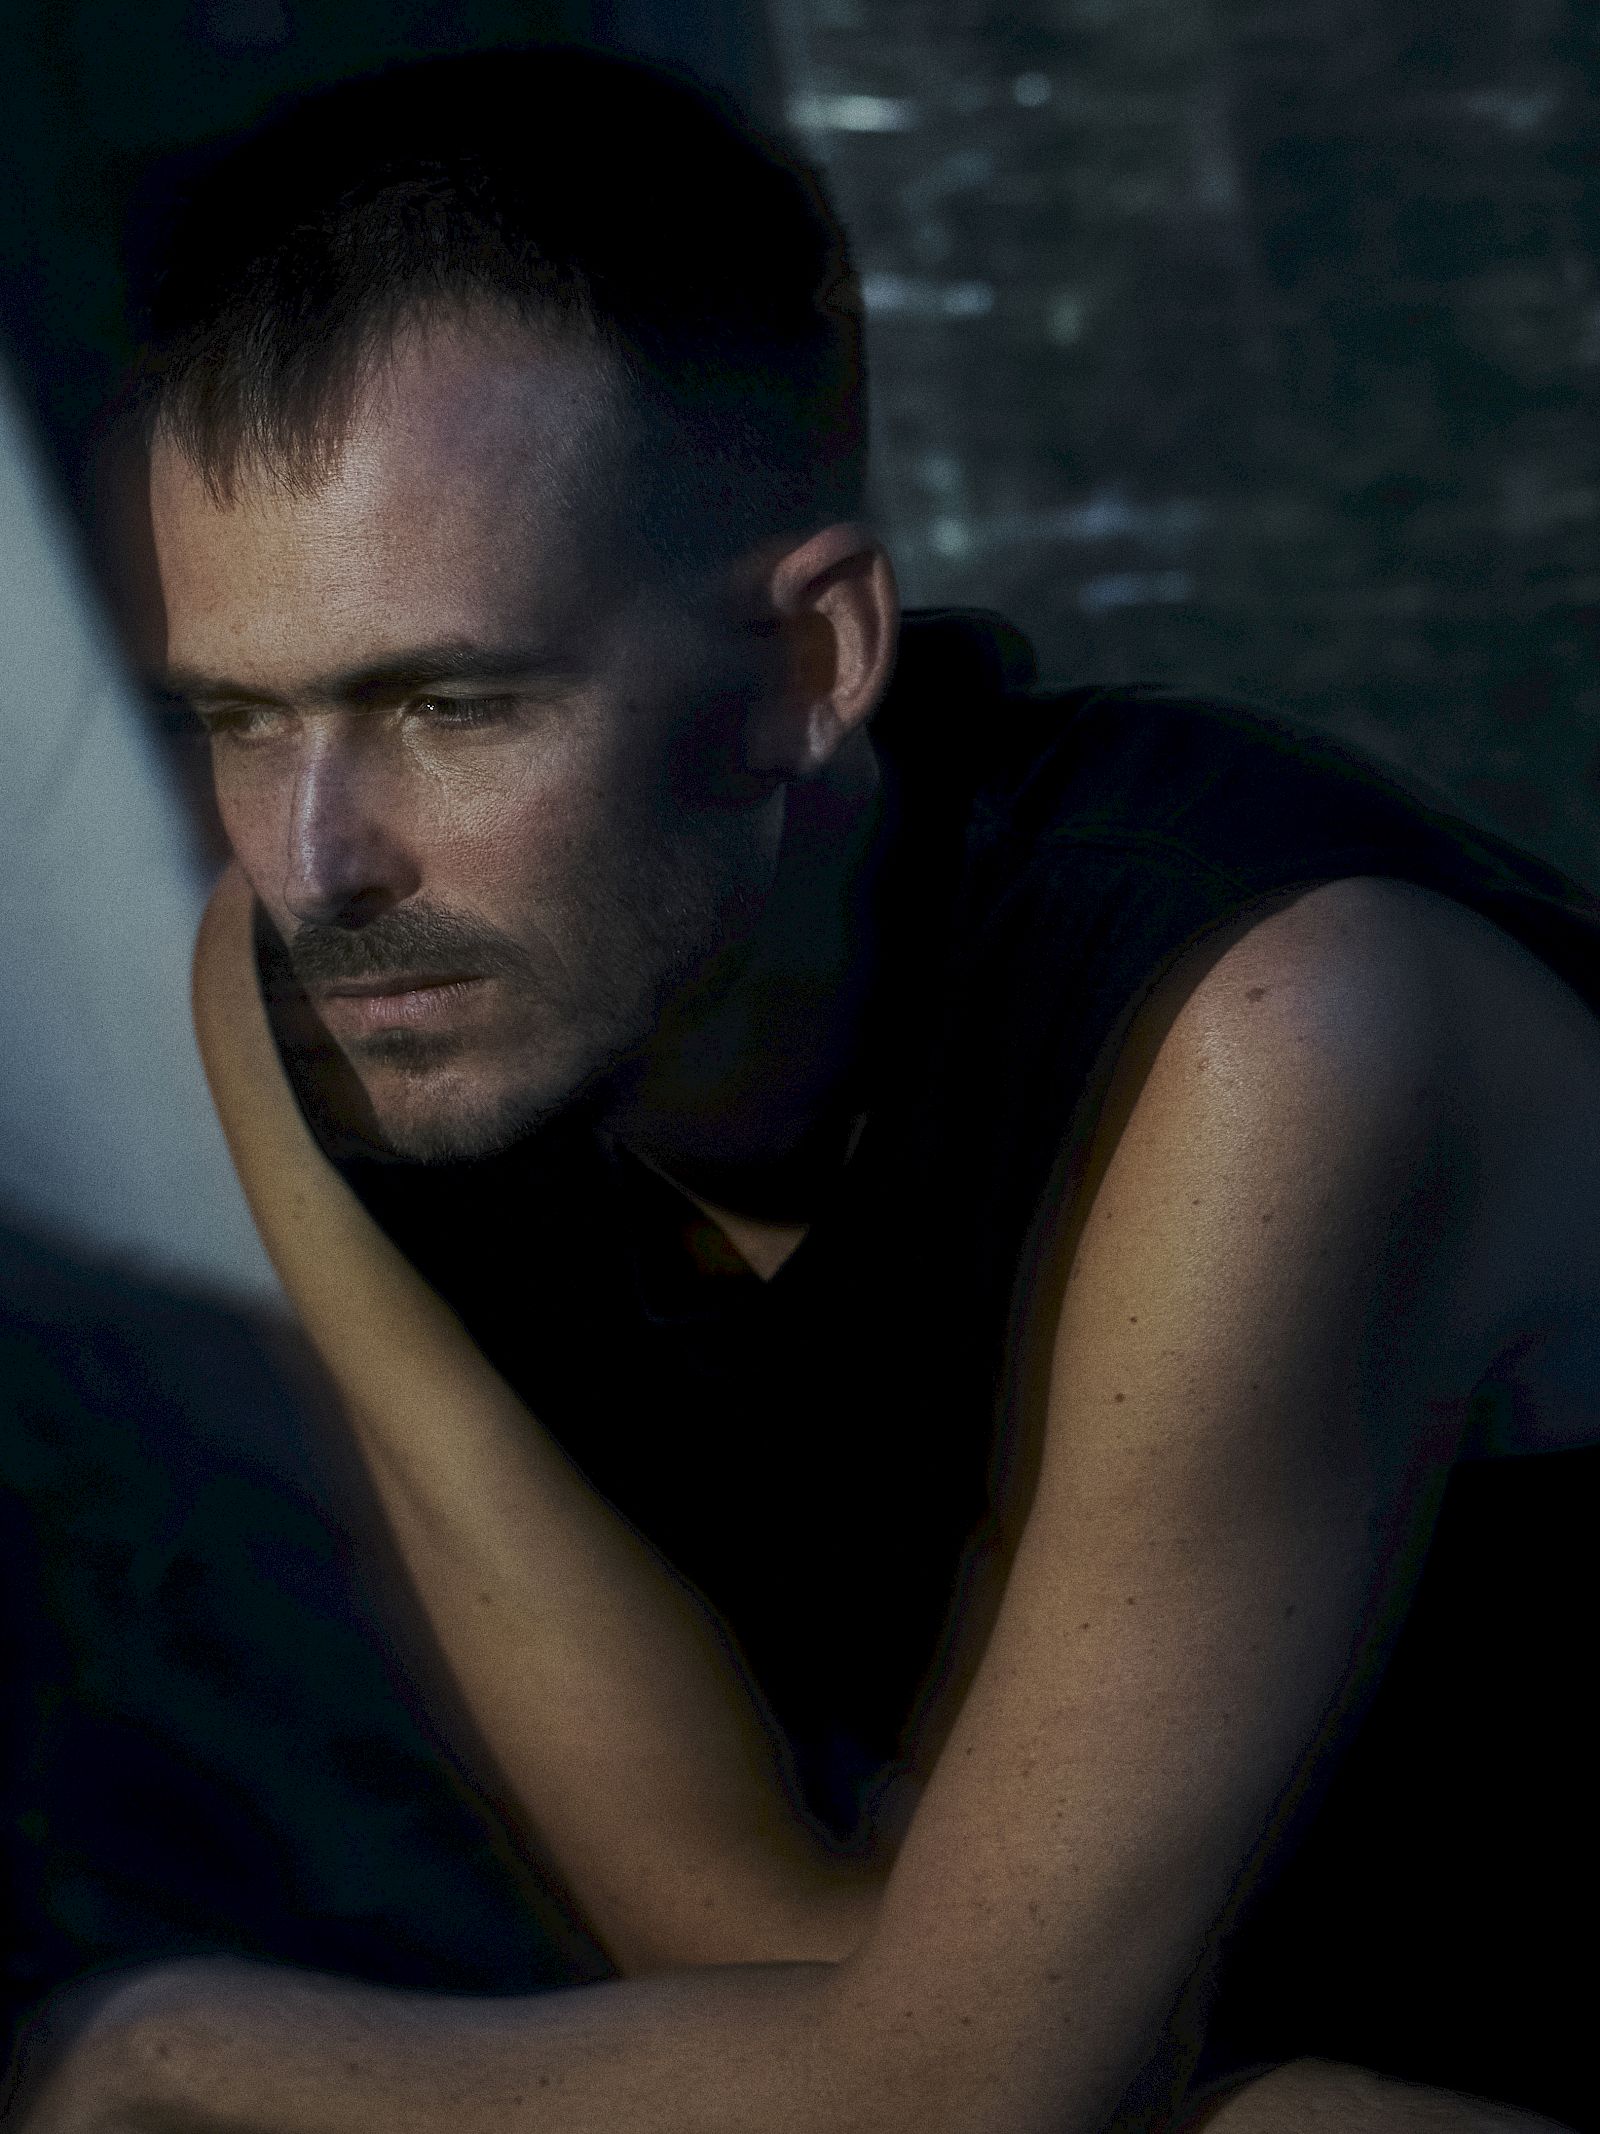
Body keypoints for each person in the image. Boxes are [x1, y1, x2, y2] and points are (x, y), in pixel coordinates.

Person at [15, 44, 1597, 2134]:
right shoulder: (308, 999)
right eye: (240, 718)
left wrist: (161, 2048)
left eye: (449, 703)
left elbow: (958, 2092)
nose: (316, 865)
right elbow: (732, 1933)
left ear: (808, 662)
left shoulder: (1282, 1028)